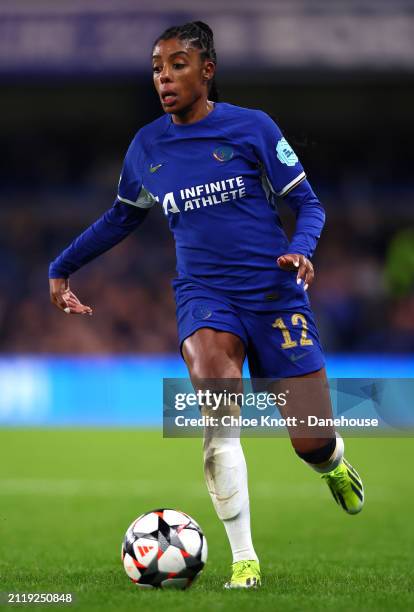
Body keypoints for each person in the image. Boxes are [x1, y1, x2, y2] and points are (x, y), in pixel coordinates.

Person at [49, 21, 364, 589]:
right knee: (220, 417)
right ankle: (245, 558)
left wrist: (300, 249)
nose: (163, 78)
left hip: (273, 295)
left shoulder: (253, 128)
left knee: (311, 439)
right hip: (204, 297)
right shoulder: (147, 146)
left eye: (176, 65)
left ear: (207, 71)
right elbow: (121, 216)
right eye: (156, 68)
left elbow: (309, 205)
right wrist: (62, 265)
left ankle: (333, 462)